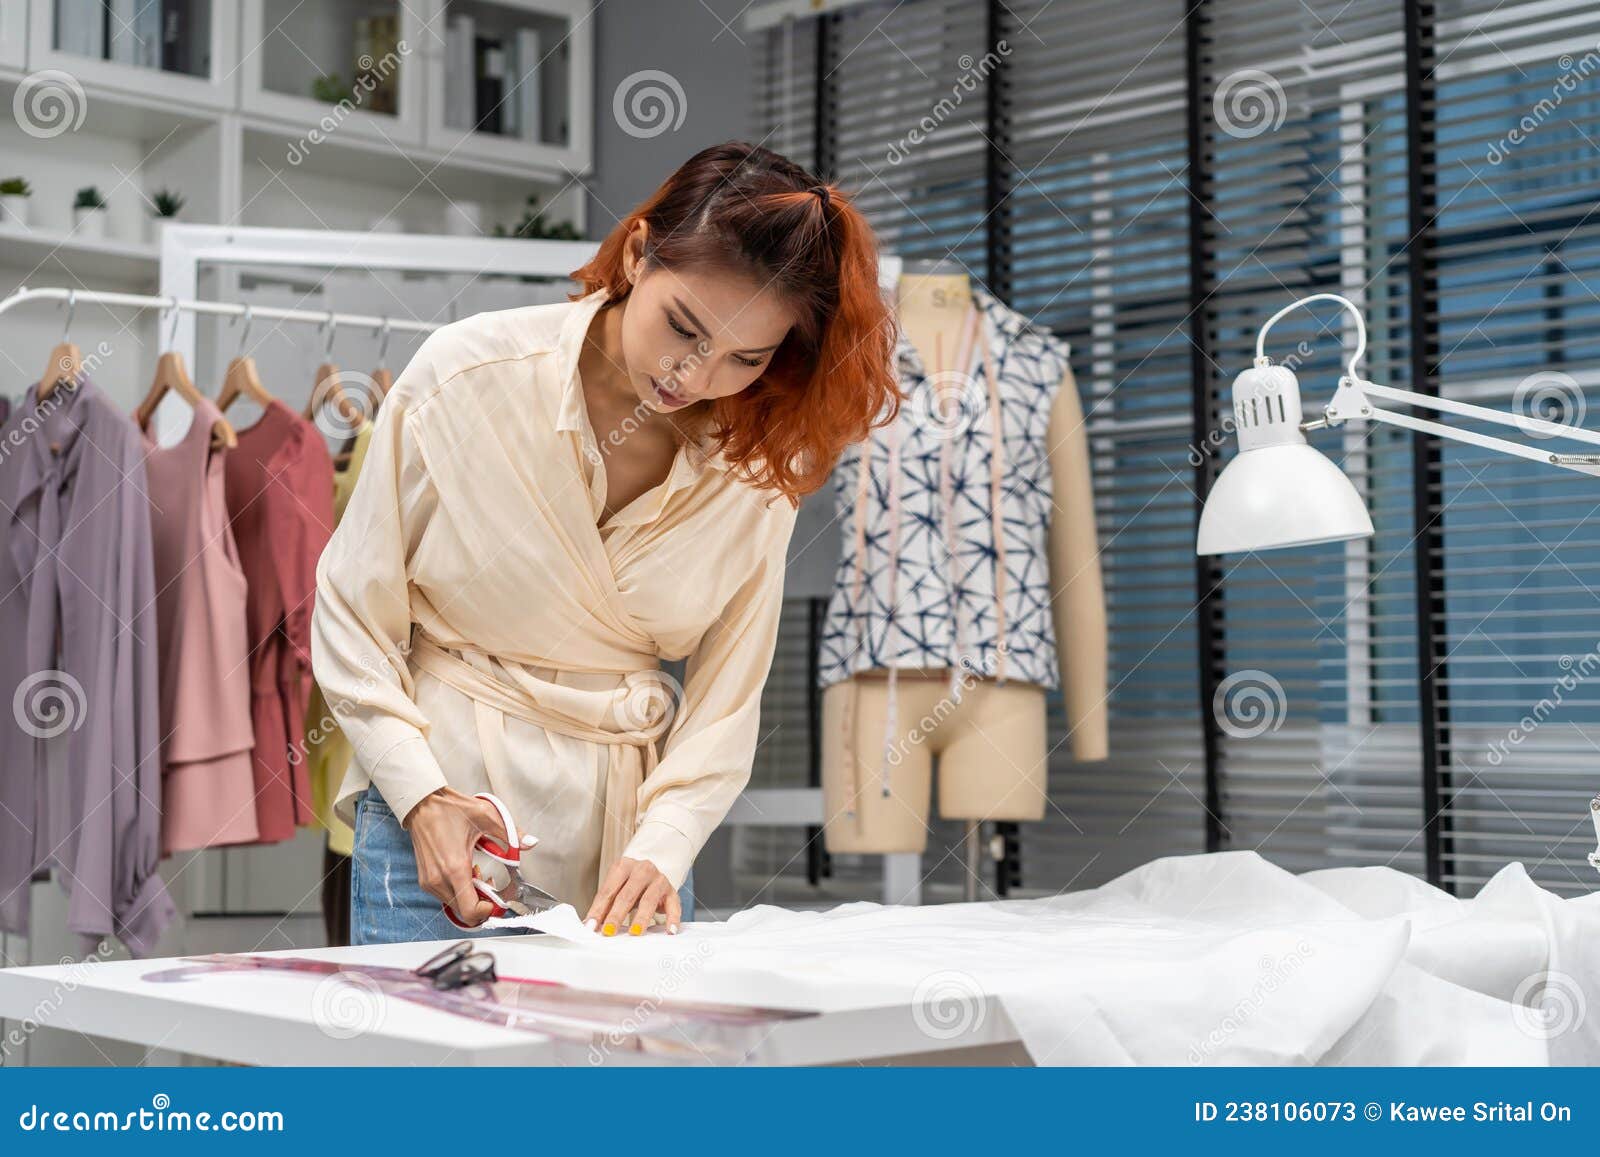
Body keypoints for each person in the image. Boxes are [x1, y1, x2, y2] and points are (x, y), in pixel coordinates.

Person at [310, 140, 900, 945]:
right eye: (683, 327)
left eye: (746, 357)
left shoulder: (761, 465)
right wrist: (421, 796)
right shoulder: (464, 377)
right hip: (444, 830)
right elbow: (351, 609)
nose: (694, 374)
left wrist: (665, 847)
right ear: (635, 254)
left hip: (634, 854)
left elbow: (730, 697)